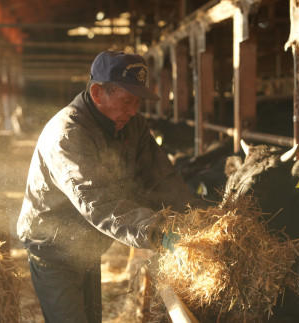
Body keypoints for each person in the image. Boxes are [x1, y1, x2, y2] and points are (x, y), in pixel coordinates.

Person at [17, 50, 204, 323]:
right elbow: (98, 202)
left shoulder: (133, 126)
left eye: (137, 102)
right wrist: (155, 232)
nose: (133, 110)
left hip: (86, 245)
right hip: (53, 248)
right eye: (127, 100)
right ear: (97, 93)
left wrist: (194, 217)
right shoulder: (68, 135)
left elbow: (161, 178)